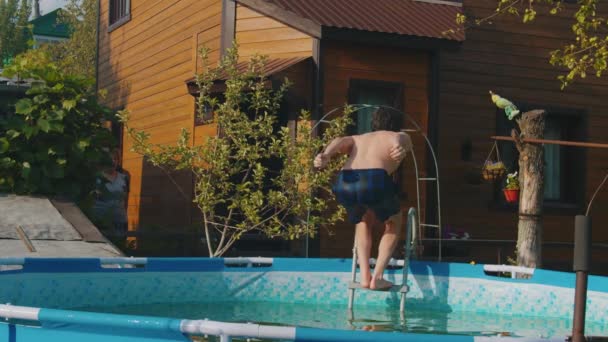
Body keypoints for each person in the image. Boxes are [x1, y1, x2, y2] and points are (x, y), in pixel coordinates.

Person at [314, 108, 412, 290]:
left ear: (372, 124)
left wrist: (326, 154)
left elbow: (341, 141)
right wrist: (399, 146)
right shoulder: (396, 135)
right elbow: (402, 139)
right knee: (394, 222)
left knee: (363, 221)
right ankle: (378, 277)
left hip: (346, 181)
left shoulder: (359, 138)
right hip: (374, 179)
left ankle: (365, 276)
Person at [92, 148, 130, 238]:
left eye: (115, 159)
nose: (113, 161)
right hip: (99, 221)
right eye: (110, 159)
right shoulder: (96, 177)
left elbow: (126, 199)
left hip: (120, 221)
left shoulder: (125, 177)